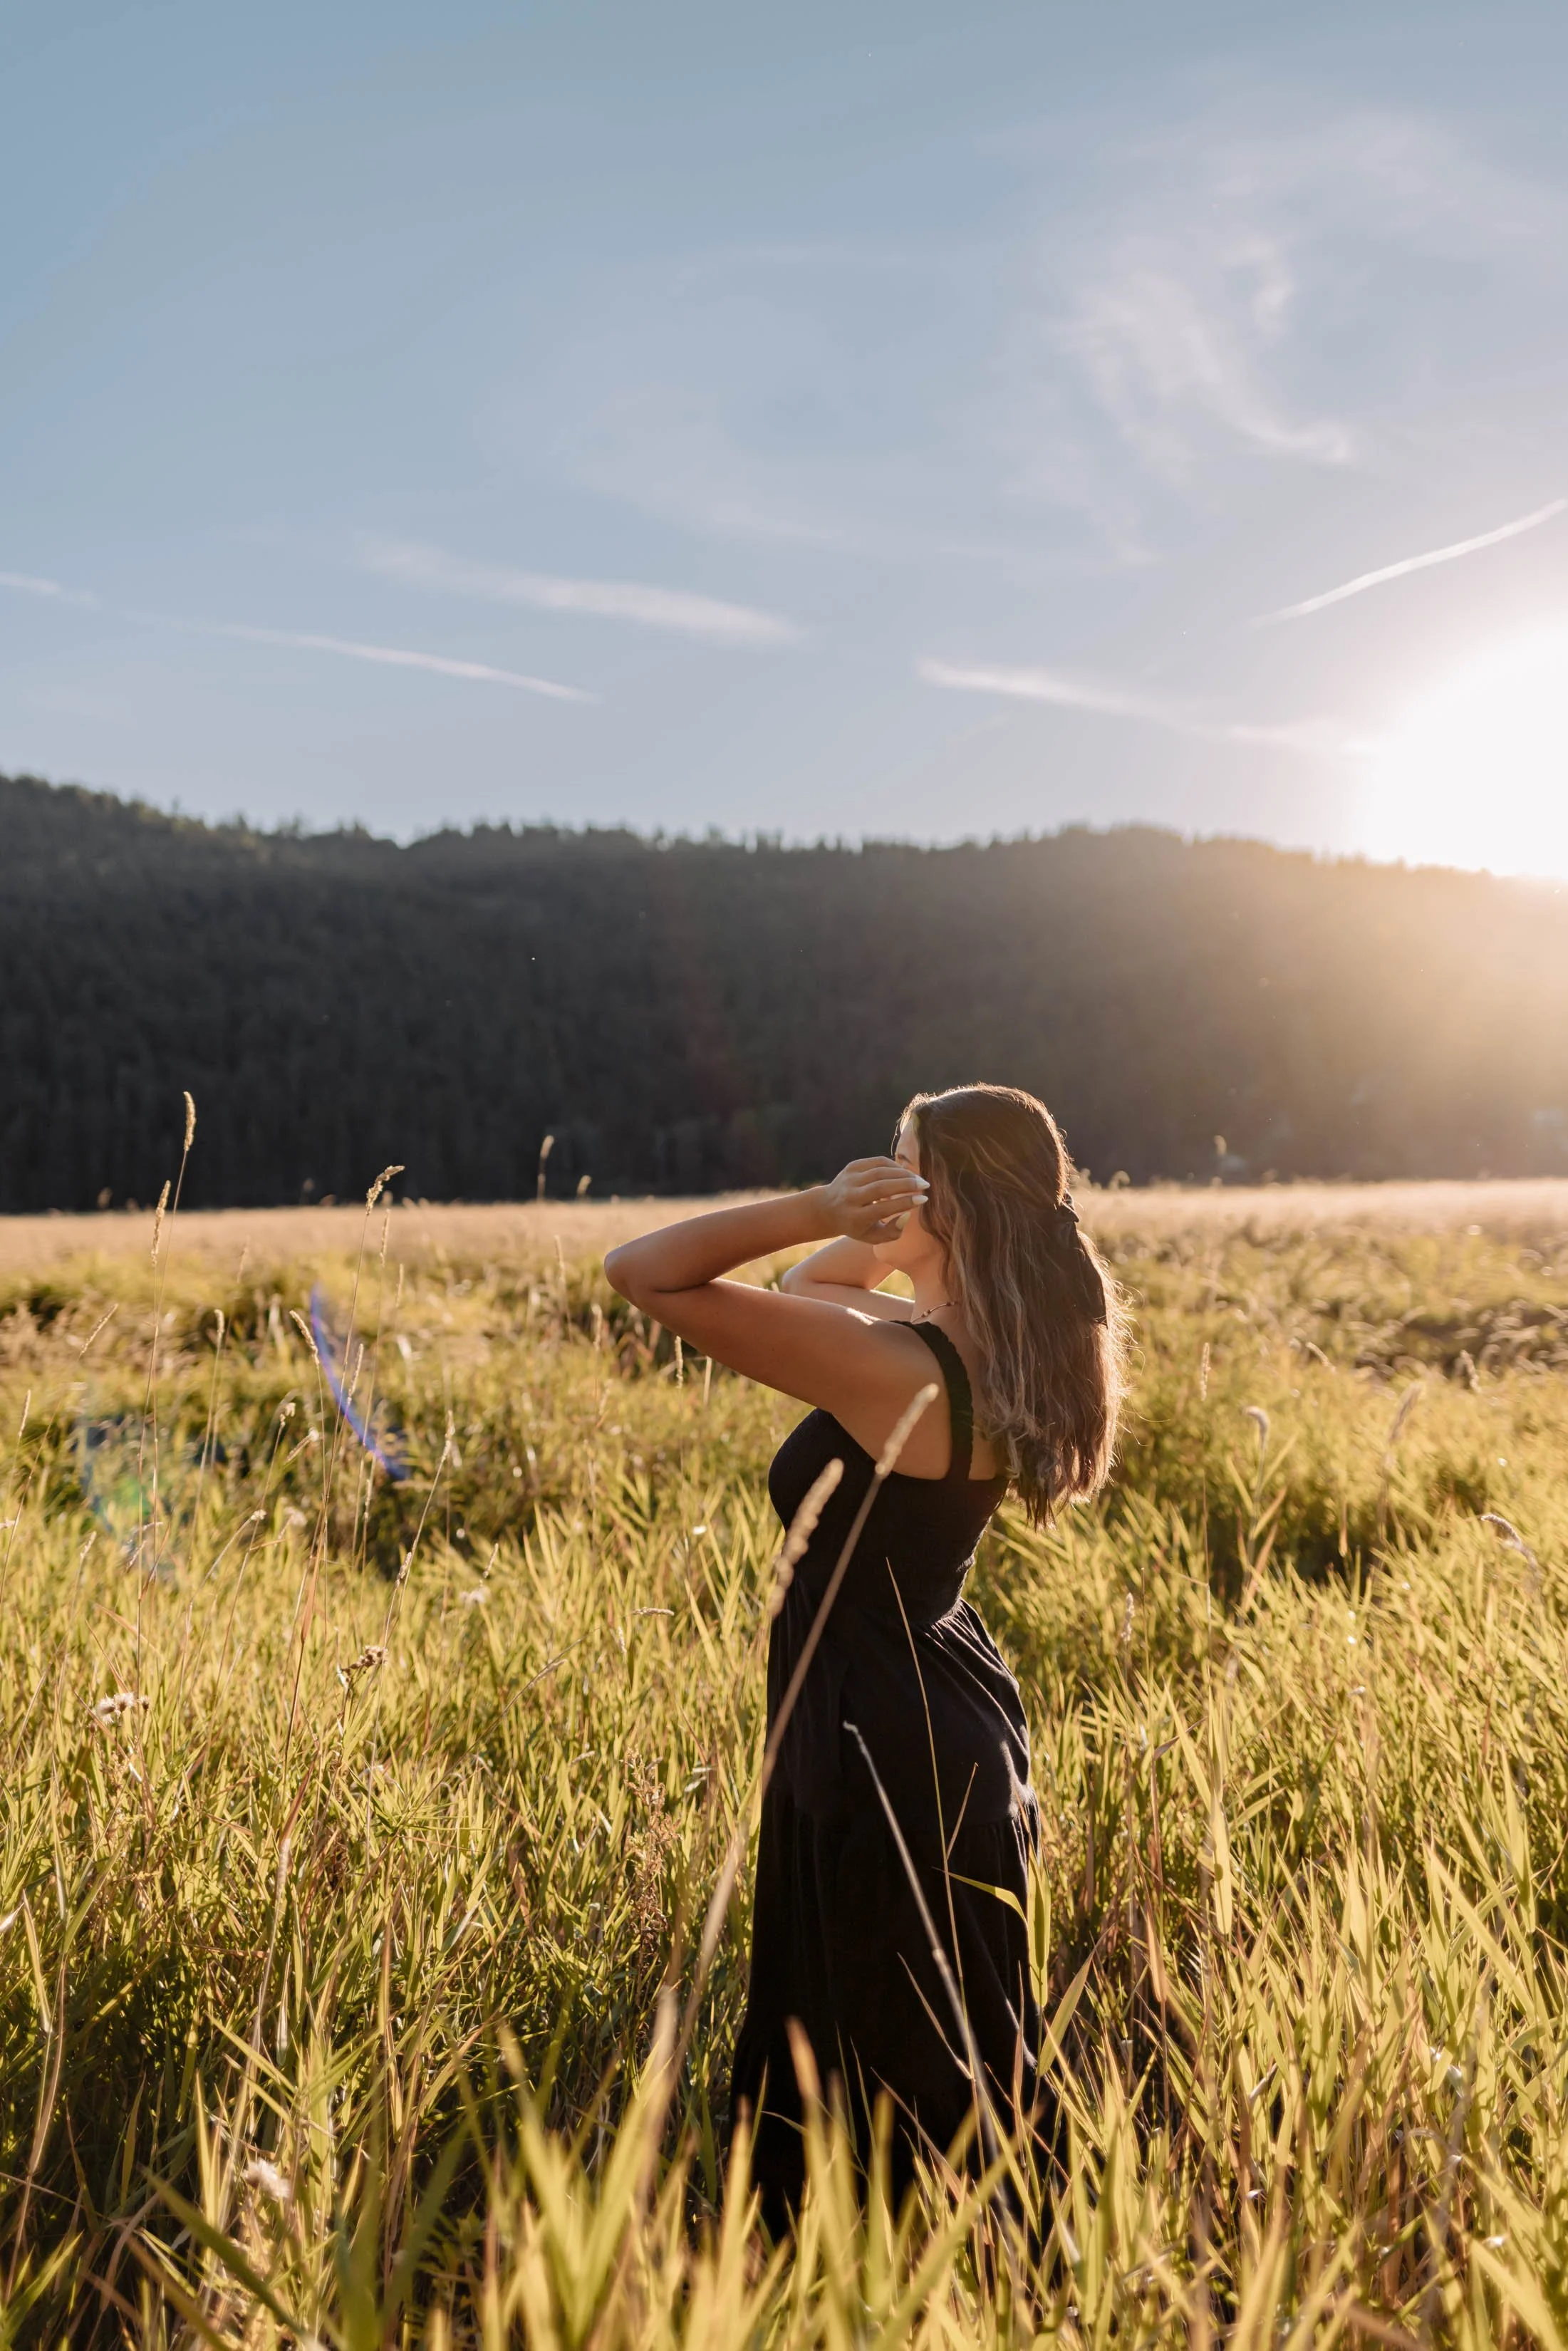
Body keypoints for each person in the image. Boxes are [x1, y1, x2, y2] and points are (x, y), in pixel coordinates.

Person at [603, 1082, 1126, 2222]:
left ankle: (879, 2288)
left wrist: (815, 1202)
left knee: (878, 2058)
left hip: (879, 1738)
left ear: (955, 1200)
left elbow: (643, 1272)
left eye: (903, 1166)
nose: (880, 1179)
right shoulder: (978, 1345)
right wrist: (882, 1225)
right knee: (944, 2045)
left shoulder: (901, 1370)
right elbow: (818, 1291)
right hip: (937, 1712)